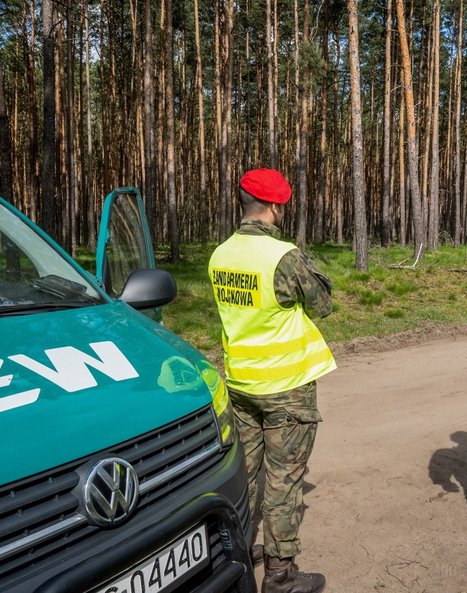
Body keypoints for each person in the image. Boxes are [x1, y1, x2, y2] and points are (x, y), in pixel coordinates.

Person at [209, 168, 335, 593]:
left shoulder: (219, 255)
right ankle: (280, 575)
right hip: (286, 387)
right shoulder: (284, 256)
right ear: (275, 206)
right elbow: (323, 305)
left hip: (241, 384)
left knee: (245, 474)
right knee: (283, 479)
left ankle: (238, 550)